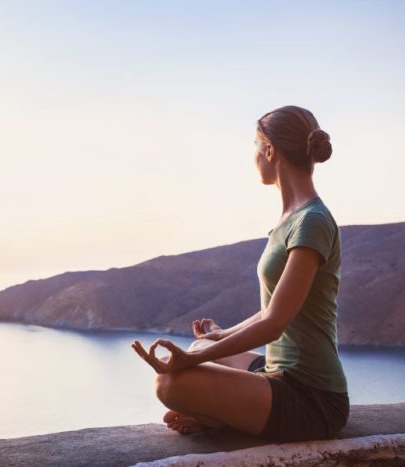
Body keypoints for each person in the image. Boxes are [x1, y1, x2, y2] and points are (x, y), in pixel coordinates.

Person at [131, 105, 349, 442]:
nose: (254, 155)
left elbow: (275, 322)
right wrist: (220, 335)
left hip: (312, 397)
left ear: (269, 150)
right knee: (203, 342)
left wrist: (193, 359)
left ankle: (218, 419)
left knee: (169, 382)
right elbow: (275, 310)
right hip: (277, 373)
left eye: (254, 144)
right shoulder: (292, 220)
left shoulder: (312, 222)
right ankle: (220, 416)